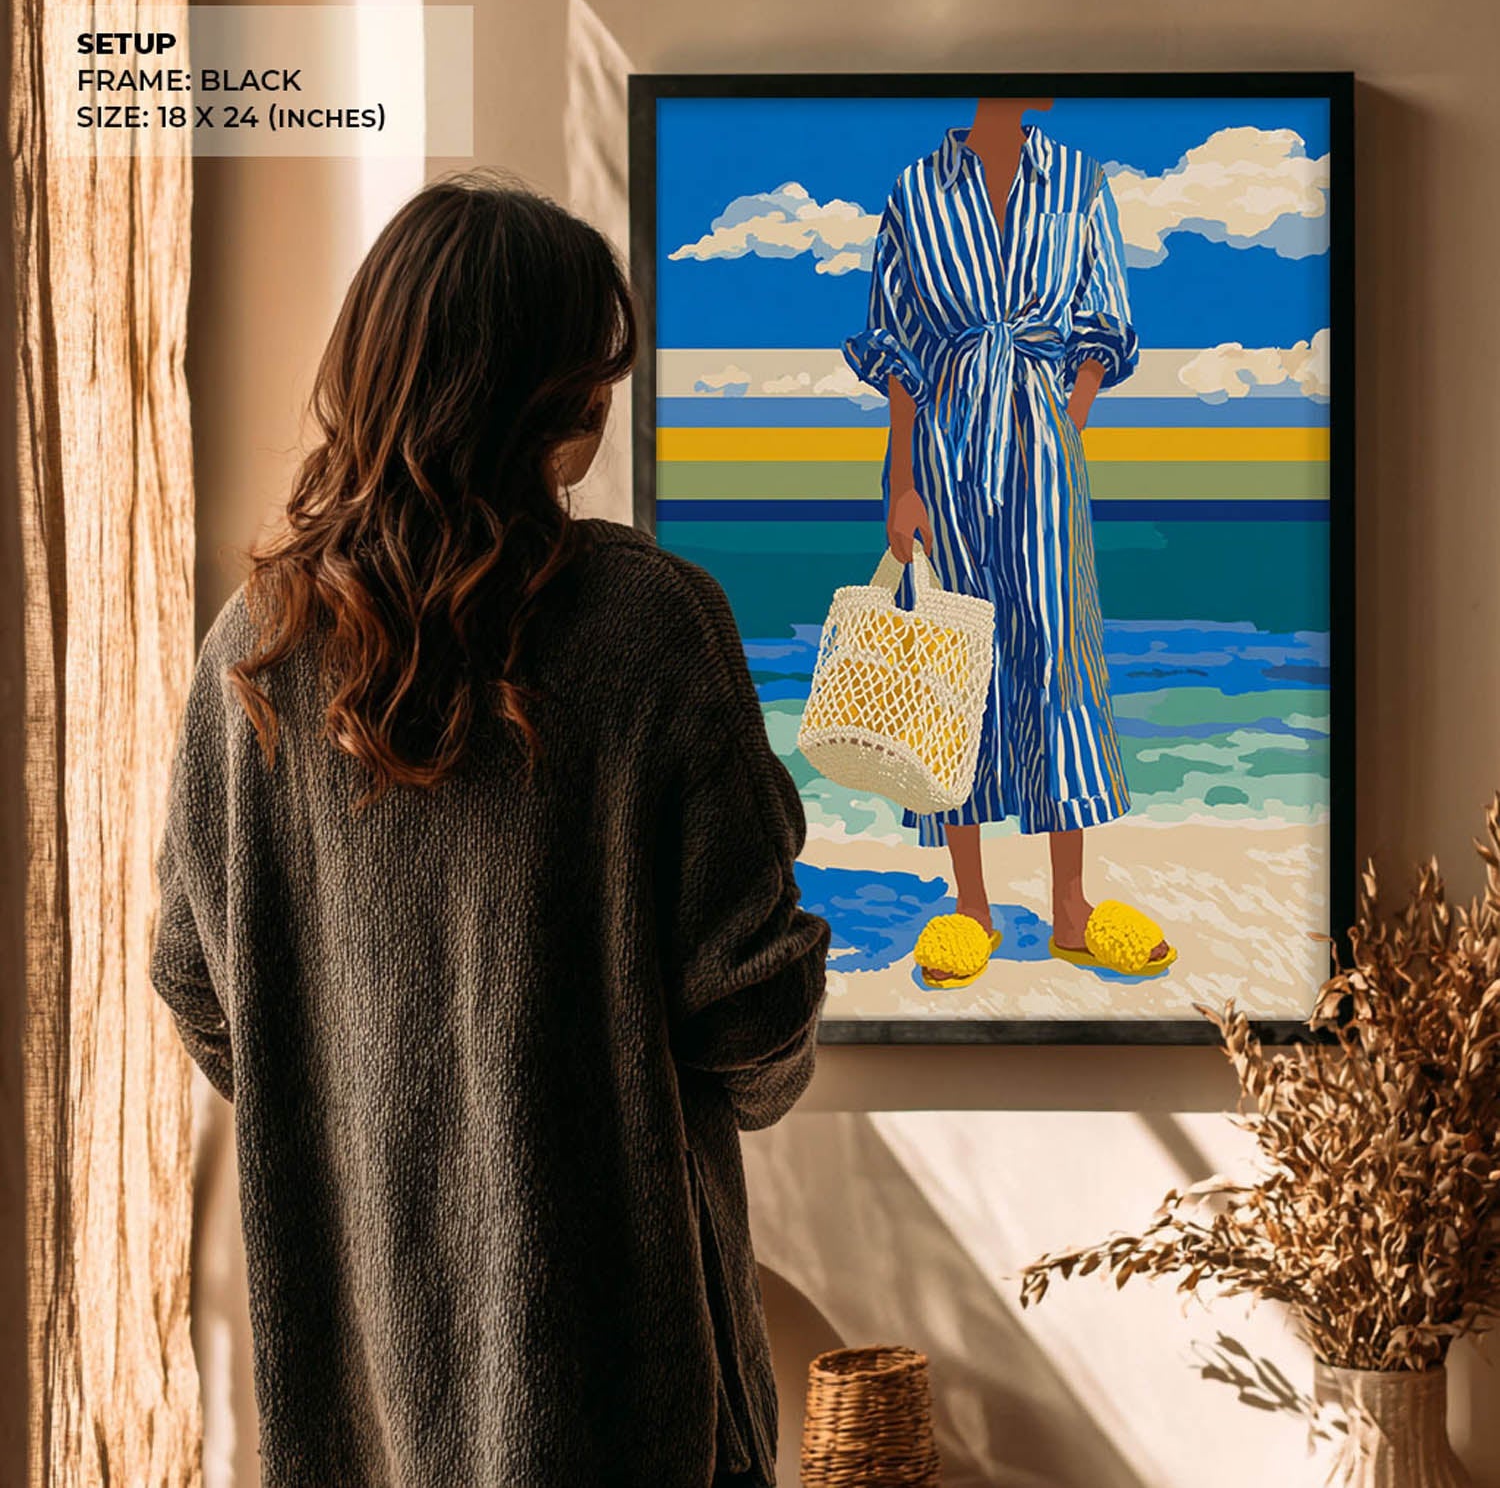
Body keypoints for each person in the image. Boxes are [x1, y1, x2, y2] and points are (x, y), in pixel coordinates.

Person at [150, 171, 829, 1487]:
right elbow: (750, 1021)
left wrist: (356, 1095)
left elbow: (197, 984)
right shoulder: (649, 627)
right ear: (555, 398)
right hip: (626, 1402)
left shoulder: (253, 652)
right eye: (597, 375)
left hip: (358, 1406)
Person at [843, 97, 1177, 986]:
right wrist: (904, 481)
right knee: (955, 662)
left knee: (1061, 657)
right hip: (946, 450)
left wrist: (1065, 426)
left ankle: (1071, 907)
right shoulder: (915, 190)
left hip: (1042, 448)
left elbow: (1102, 320)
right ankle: (971, 906)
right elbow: (899, 351)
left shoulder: (1078, 179)